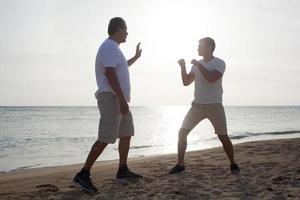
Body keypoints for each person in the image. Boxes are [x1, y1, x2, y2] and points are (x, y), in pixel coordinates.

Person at [73, 17, 143, 193]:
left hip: (119, 99)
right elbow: (110, 73)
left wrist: (135, 57)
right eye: (125, 29)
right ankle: (83, 173)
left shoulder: (115, 50)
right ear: (117, 29)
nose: (127, 33)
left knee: (126, 133)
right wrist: (120, 99)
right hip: (111, 98)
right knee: (105, 137)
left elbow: (122, 67)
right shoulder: (109, 46)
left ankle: (122, 169)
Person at [169, 37, 240, 175]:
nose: (197, 48)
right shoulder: (196, 64)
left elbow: (211, 78)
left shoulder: (219, 63)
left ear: (209, 47)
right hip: (197, 106)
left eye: (200, 46)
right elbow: (186, 82)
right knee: (182, 132)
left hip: (215, 106)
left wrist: (198, 65)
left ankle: (233, 162)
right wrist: (183, 67)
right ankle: (180, 164)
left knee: (223, 136)